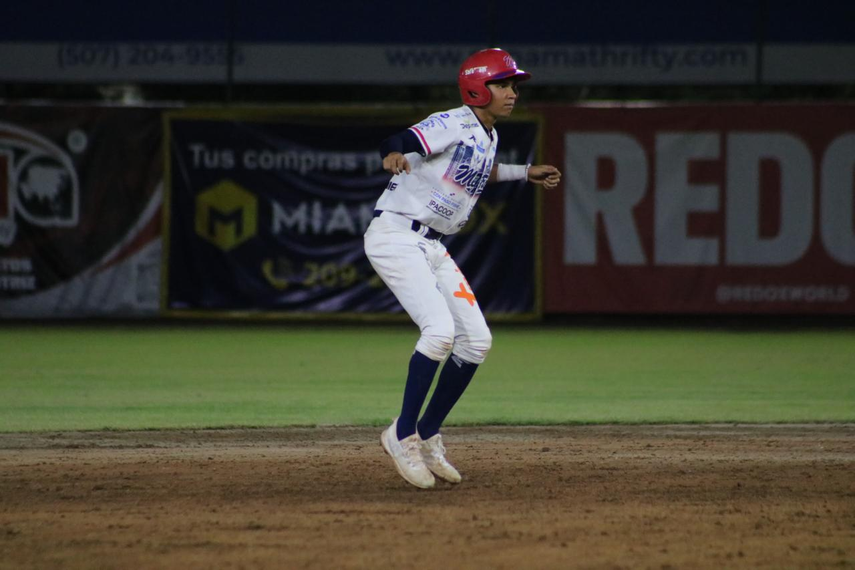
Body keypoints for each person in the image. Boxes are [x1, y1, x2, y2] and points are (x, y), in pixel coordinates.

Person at [364, 48, 561, 489]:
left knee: (476, 341)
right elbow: (397, 142)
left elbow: (480, 171)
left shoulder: (486, 133)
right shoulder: (454, 120)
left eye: (513, 85)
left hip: (431, 244)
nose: (512, 93)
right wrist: (392, 155)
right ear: (477, 88)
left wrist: (525, 172)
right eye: (504, 84)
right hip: (396, 236)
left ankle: (429, 432)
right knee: (438, 333)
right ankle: (401, 434)